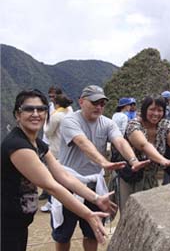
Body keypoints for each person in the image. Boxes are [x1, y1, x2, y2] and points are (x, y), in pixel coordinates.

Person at [1, 89, 116, 251]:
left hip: (18, 222)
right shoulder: (18, 146)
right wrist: (87, 214)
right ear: (17, 115)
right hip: (5, 224)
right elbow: (51, 186)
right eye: (28, 109)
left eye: (41, 109)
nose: (36, 114)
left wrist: (96, 198)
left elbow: (62, 175)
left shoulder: (37, 144)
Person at [52, 85, 149, 251]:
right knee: (63, 233)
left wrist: (133, 160)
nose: (99, 107)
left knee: (92, 232)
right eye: (95, 102)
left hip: (94, 185)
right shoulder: (70, 121)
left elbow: (119, 141)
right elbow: (83, 143)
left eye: (102, 104)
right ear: (81, 102)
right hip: (68, 183)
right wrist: (103, 162)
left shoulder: (107, 123)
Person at [40, 94, 74, 213]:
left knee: (52, 177)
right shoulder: (69, 113)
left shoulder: (56, 116)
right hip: (66, 149)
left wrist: (45, 121)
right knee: (64, 176)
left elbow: (48, 132)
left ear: (57, 104)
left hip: (55, 150)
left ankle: (51, 202)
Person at [39, 85, 64, 201]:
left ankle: (53, 196)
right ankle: (46, 191)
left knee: (55, 169)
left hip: (57, 143)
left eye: (53, 96)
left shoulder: (64, 109)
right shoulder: (49, 107)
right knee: (46, 168)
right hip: (46, 141)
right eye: (50, 96)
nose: (52, 98)